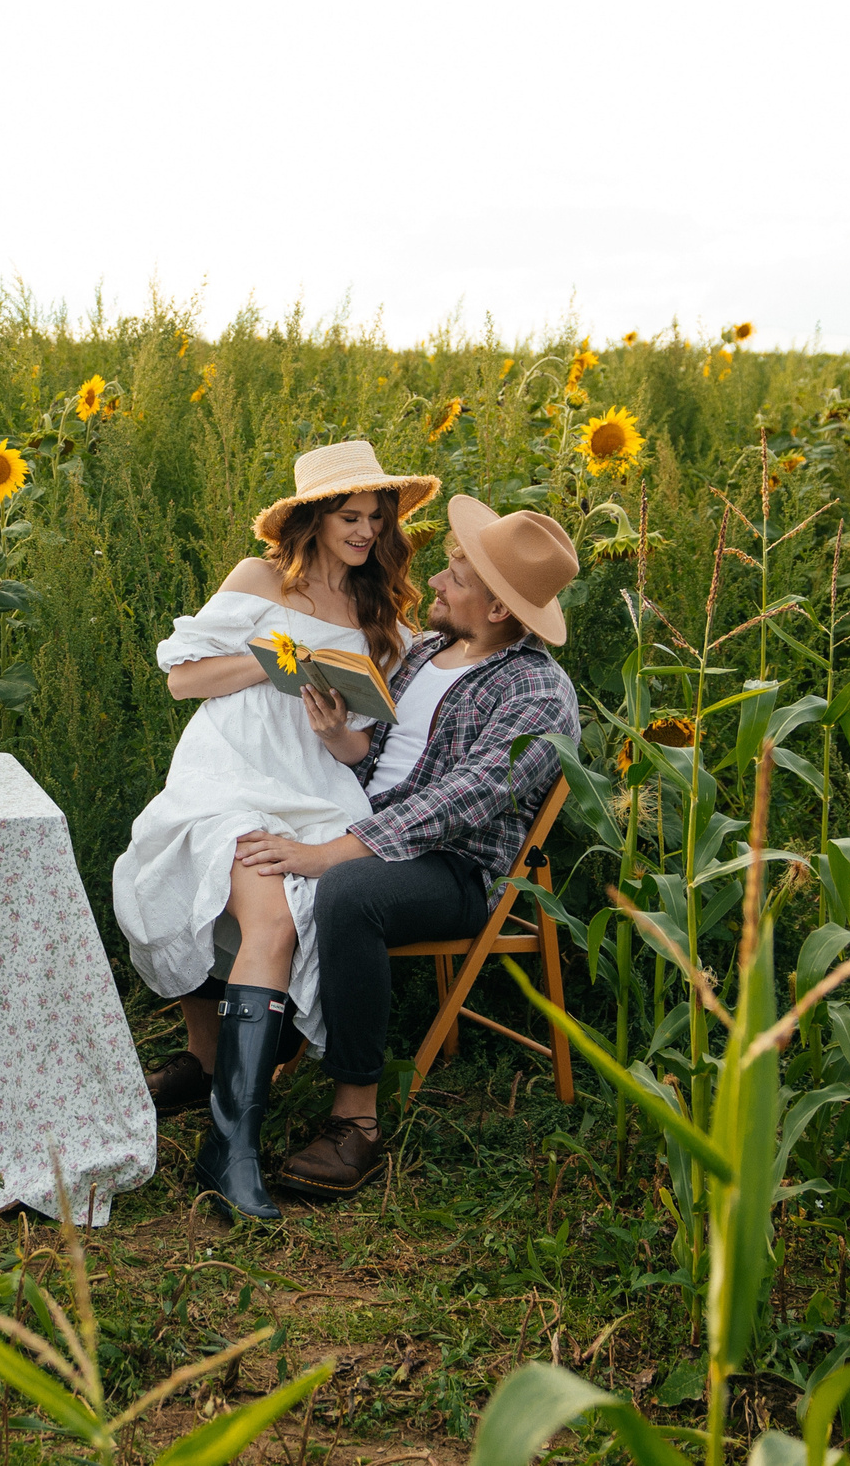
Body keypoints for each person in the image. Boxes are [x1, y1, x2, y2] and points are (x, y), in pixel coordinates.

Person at [112, 440, 438, 1220]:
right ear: (313, 519)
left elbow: (363, 746)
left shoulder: (376, 608)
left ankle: (231, 1140)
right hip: (229, 771)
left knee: (292, 914)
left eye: (375, 517)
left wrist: (335, 731)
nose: (365, 532)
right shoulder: (260, 579)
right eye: (349, 516)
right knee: (267, 918)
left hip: (315, 784)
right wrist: (271, 662)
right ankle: (233, 1147)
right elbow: (183, 677)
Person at [230, 495, 581, 1197]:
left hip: (453, 868)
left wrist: (334, 850)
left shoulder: (539, 693)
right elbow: (381, 758)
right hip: (367, 821)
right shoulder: (425, 651)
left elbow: (466, 800)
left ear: (498, 611)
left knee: (347, 891)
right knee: (236, 834)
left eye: (456, 575)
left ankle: (356, 1119)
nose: (438, 584)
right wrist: (338, 738)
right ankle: (235, 1058)